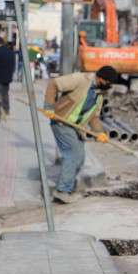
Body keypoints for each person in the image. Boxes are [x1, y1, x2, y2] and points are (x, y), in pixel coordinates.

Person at [43, 65, 124, 203]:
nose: (109, 87)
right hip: (61, 122)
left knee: (80, 158)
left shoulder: (99, 94)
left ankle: (67, 188)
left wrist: (100, 133)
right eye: (108, 83)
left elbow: (94, 117)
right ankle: (62, 191)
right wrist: (49, 107)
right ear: (100, 78)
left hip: (76, 127)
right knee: (73, 154)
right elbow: (53, 83)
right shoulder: (81, 79)